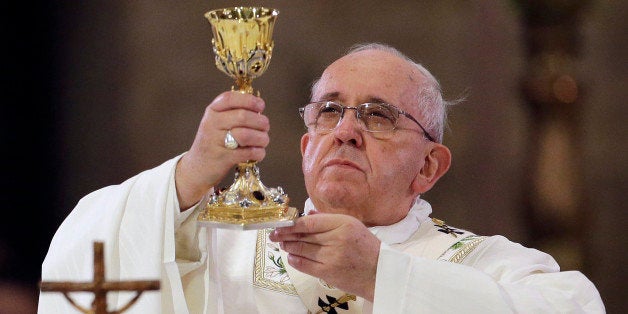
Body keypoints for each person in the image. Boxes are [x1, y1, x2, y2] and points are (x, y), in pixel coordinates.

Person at [38, 43, 605, 313]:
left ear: (428, 167)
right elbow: (88, 262)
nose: (347, 131)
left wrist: (383, 275)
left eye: (379, 115)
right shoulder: (215, 250)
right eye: (330, 111)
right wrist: (188, 176)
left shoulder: (490, 267)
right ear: (308, 146)